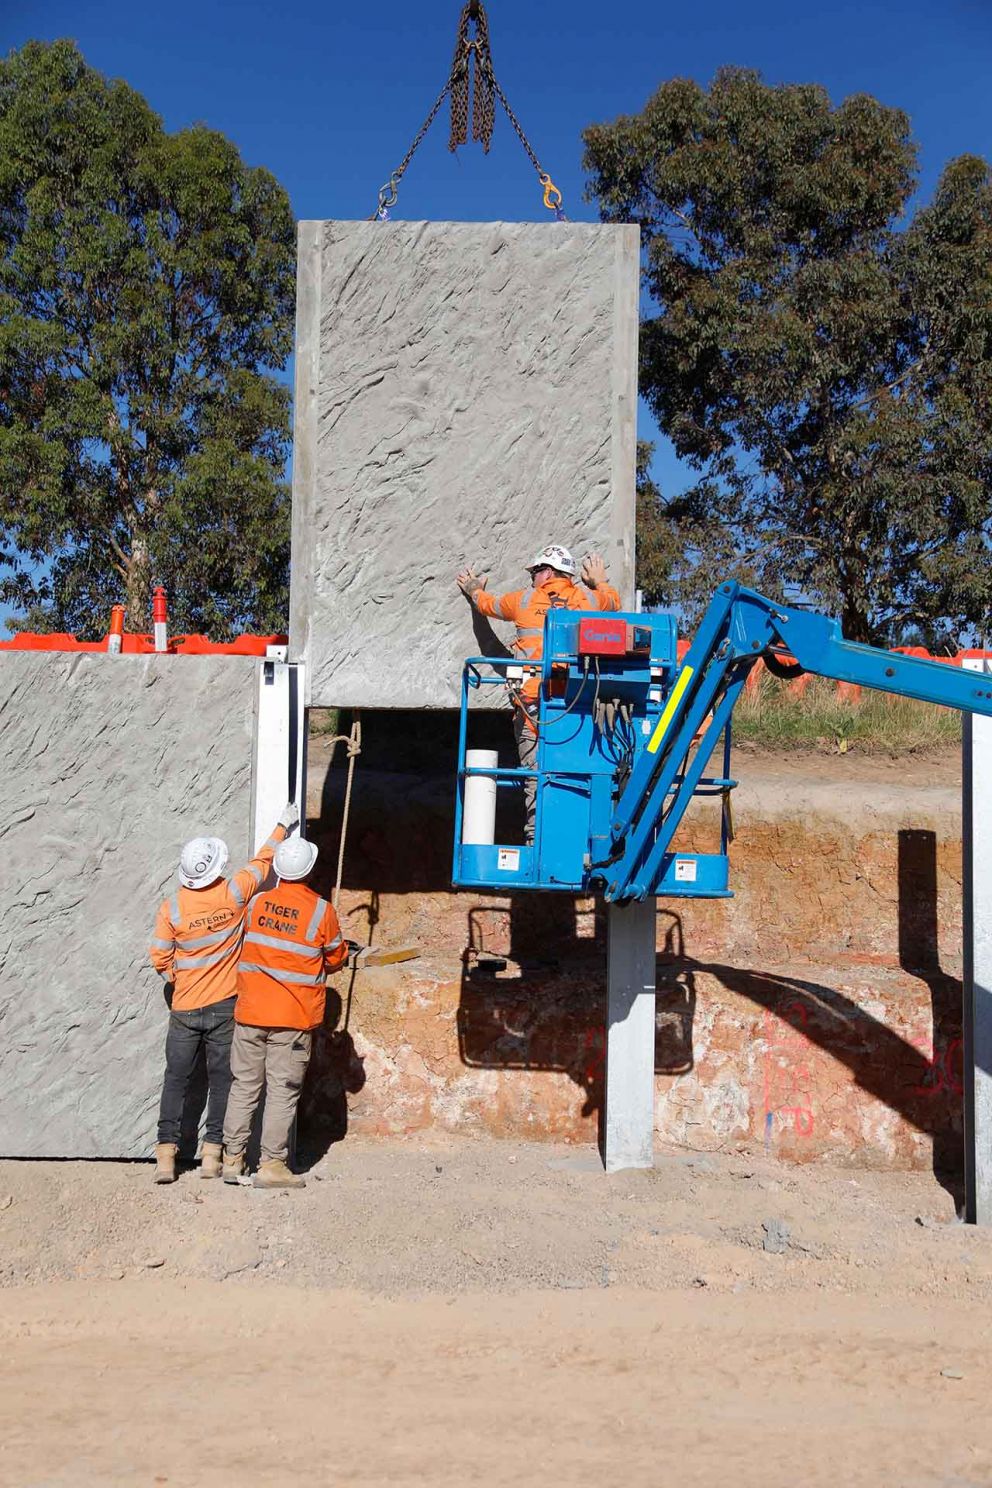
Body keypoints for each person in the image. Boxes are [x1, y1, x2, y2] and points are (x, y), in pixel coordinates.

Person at [148, 804, 298, 1184]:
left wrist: (178, 979)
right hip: (225, 1007)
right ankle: (212, 1157)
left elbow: (160, 957)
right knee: (223, 1082)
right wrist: (283, 823)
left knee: (176, 1080)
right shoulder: (234, 892)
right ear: (217, 867)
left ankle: (166, 1157)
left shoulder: (174, 907)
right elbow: (265, 862)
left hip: (184, 1008)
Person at [456, 544, 621, 840]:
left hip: (532, 706)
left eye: (534, 572)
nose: (532, 577)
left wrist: (472, 588)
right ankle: (578, 843)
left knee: (534, 775)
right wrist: (599, 580)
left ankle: (536, 842)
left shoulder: (524, 599)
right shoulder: (588, 598)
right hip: (577, 709)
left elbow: (487, 605)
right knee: (577, 775)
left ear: (546, 572)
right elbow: (614, 601)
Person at [222, 836, 349, 1190]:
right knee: (282, 1090)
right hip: (291, 1018)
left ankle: (231, 1160)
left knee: (244, 1085)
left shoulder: (258, 902)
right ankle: (272, 1164)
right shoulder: (321, 911)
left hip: (250, 1011)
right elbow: (337, 959)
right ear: (310, 870)